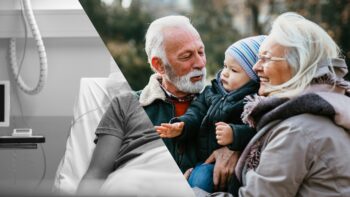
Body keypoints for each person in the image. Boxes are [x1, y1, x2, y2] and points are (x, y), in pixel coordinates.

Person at [232, 12, 350, 196]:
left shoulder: (298, 130)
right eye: (257, 58)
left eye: (266, 58)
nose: (256, 67)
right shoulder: (331, 107)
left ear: (298, 65)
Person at [137, 14, 240, 190]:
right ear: (159, 65)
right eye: (186, 57)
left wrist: (237, 148)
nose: (200, 63)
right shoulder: (129, 107)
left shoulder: (225, 100)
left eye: (201, 52)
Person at [155, 35, 266, 193]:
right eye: (225, 66)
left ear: (253, 78)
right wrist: (183, 125)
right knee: (200, 178)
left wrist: (234, 135)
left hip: (240, 166)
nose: (225, 73)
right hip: (206, 161)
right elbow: (197, 111)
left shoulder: (253, 101)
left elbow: (258, 130)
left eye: (234, 70)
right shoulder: (212, 91)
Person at [76, 92, 193, 196]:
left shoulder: (209, 104)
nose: (200, 66)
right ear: (159, 66)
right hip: (132, 181)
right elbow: (97, 174)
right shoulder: (126, 102)